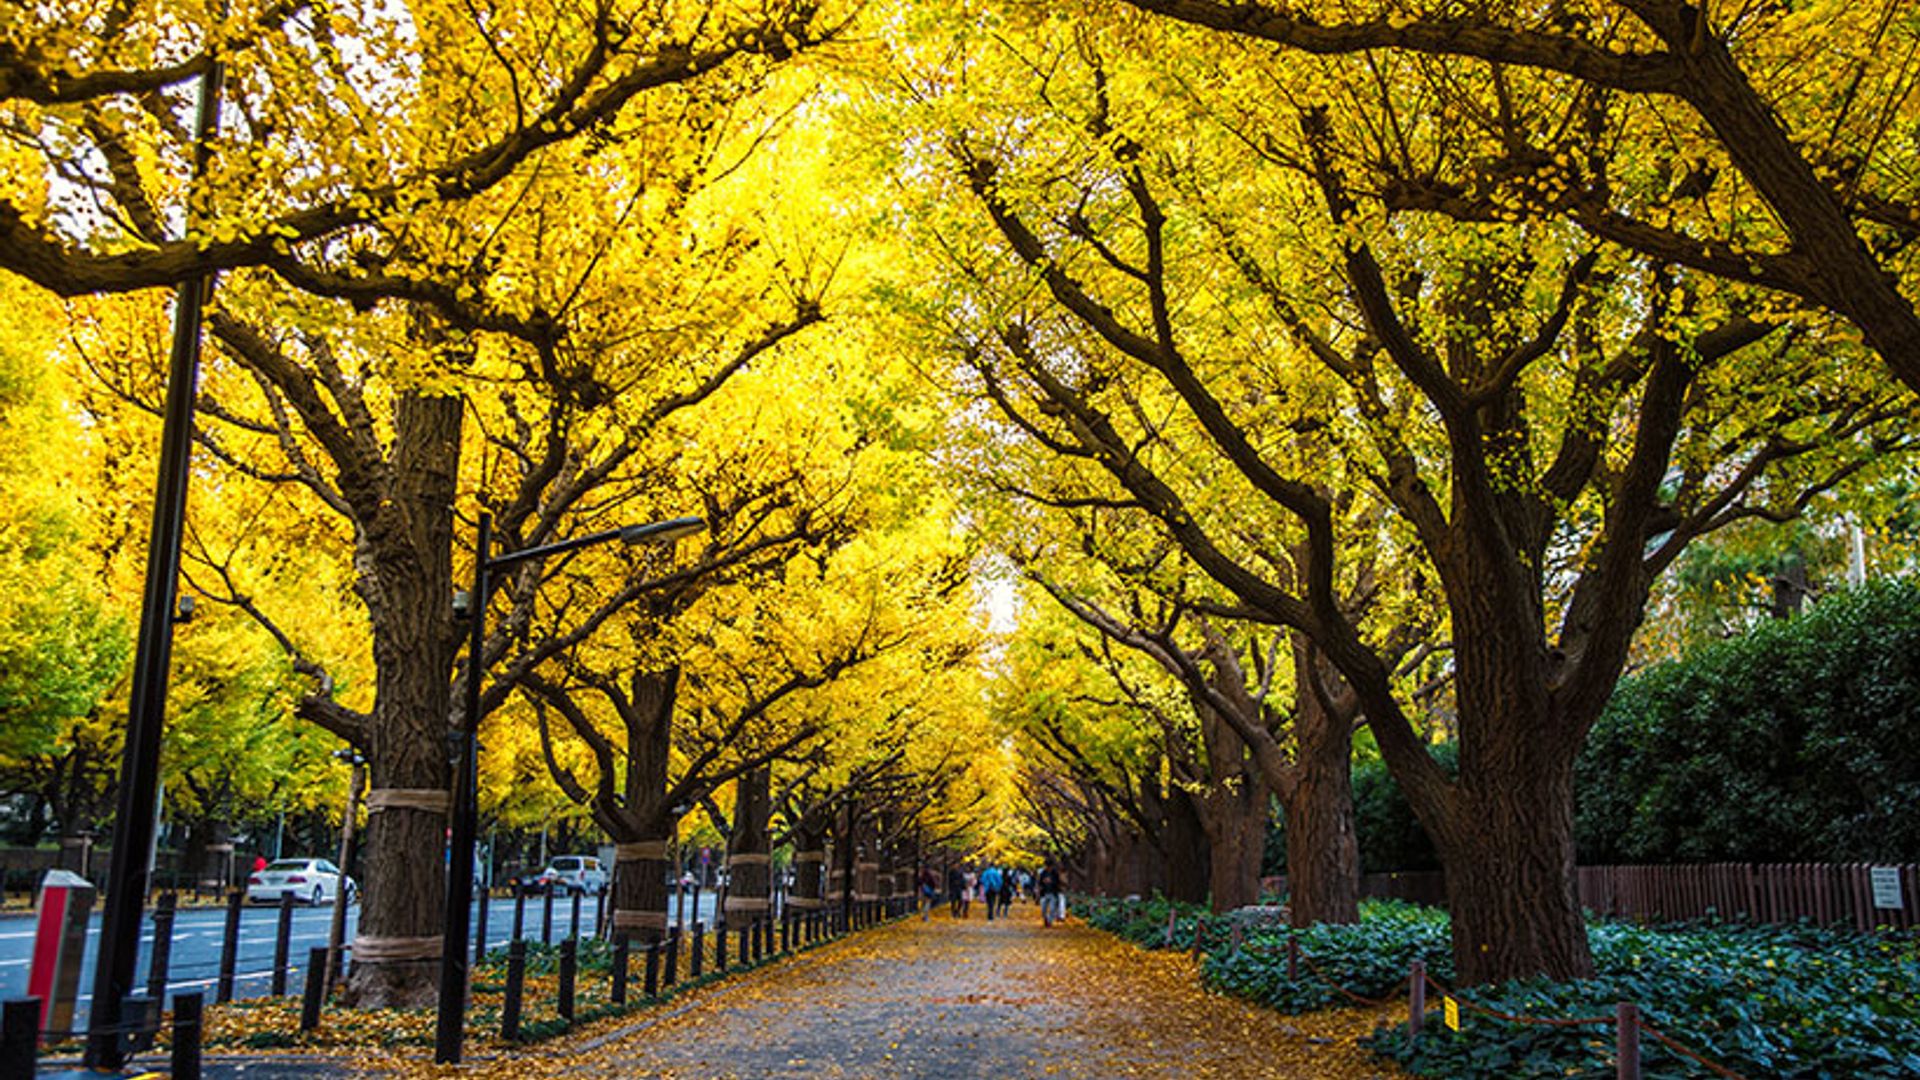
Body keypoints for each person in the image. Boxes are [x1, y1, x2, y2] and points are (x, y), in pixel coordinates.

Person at [1037, 862, 1064, 927]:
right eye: (1046, 866)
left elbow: (1058, 883)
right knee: (1043, 909)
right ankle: (1046, 918)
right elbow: (1039, 883)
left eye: (1048, 866)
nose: (1047, 867)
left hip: (1053, 893)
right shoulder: (1043, 873)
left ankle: (1049, 921)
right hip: (1044, 893)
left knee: (1052, 909)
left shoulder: (1055, 874)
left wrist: (1051, 881)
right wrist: (1038, 891)